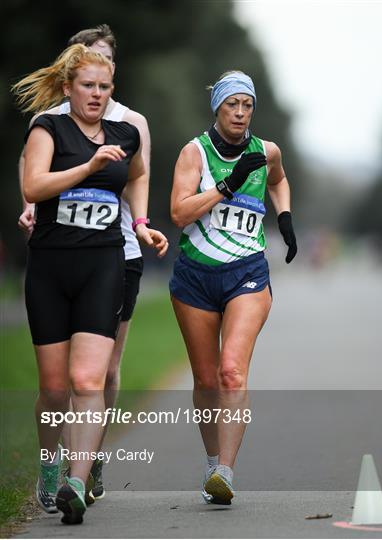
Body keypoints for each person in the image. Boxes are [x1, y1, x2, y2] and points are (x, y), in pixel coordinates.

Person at [12, 43, 168, 525]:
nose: (96, 95)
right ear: (68, 88)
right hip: (51, 268)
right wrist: (89, 167)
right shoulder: (48, 128)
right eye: (87, 86)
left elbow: (137, 172)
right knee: (55, 389)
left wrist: (140, 222)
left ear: (112, 90)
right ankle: (49, 463)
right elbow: (34, 187)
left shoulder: (125, 133)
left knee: (87, 380)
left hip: (105, 265)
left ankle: (77, 483)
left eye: (104, 87)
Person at [169, 71, 297, 505]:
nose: (241, 113)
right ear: (218, 108)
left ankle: (226, 470)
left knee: (231, 372)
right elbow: (179, 213)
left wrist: (284, 219)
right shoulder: (195, 153)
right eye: (232, 105)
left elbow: (278, 179)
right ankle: (211, 463)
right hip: (195, 277)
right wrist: (226, 185)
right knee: (205, 380)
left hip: (247, 272)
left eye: (247, 105)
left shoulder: (267, 151)